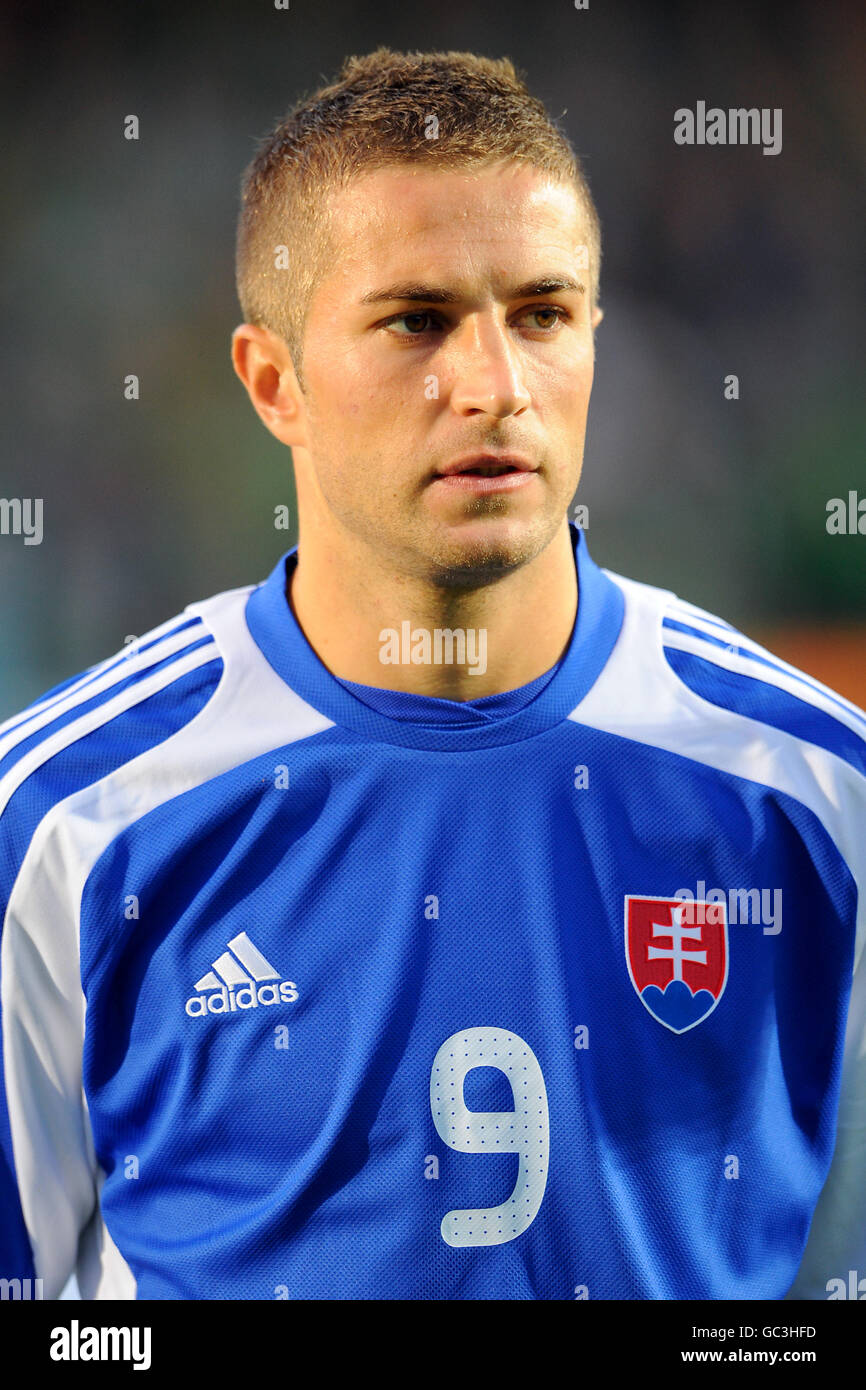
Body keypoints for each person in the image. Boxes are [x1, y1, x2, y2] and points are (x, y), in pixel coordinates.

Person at [1, 48, 863, 1302]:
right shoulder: (62, 824)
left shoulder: (816, 798)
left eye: (541, 314)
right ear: (273, 380)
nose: (495, 385)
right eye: (417, 320)